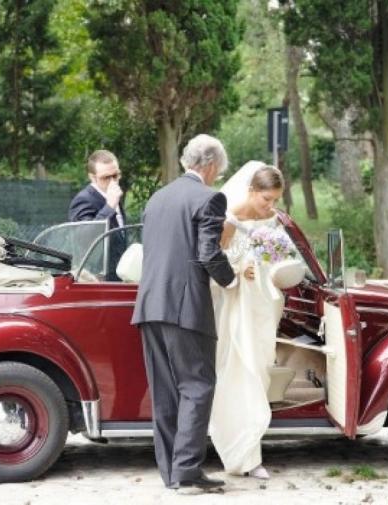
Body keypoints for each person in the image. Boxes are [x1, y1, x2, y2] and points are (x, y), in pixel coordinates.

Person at [131, 134, 236, 491]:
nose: (218, 176)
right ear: (210, 166)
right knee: (198, 385)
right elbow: (209, 254)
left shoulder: (157, 198)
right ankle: (187, 471)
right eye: (218, 170)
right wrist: (231, 281)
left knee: (165, 390)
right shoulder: (209, 198)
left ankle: (171, 472)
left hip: (149, 304)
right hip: (185, 306)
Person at [209, 161, 286, 480]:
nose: (270, 206)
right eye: (266, 199)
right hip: (235, 306)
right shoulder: (229, 220)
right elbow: (214, 265)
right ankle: (244, 455)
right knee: (241, 373)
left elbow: (277, 259)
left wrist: (277, 263)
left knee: (260, 372)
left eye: (275, 200)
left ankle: (251, 446)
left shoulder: (271, 220)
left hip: (263, 306)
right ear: (251, 191)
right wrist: (240, 270)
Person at [68, 150, 127, 280]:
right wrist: (109, 207)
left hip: (118, 275)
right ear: (92, 177)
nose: (113, 182)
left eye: (116, 175)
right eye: (106, 177)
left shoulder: (113, 194)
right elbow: (85, 238)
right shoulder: (83, 200)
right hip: (97, 278)